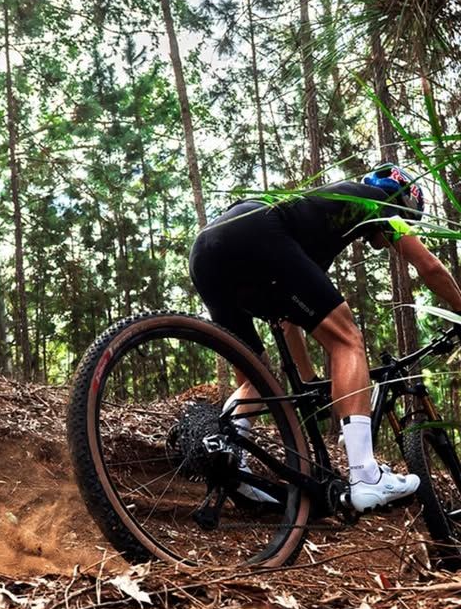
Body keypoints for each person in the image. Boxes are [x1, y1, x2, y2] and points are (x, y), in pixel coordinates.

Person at [189, 165, 461, 512]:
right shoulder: (380, 202)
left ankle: (230, 463)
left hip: (207, 251)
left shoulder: (320, 225)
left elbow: (291, 320)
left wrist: (308, 380)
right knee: (348, 340)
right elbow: (430, 267)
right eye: (410, 217)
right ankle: (366, 476)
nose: (404, 226)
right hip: (256, 231)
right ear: (403, 200)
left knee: (254, 375)